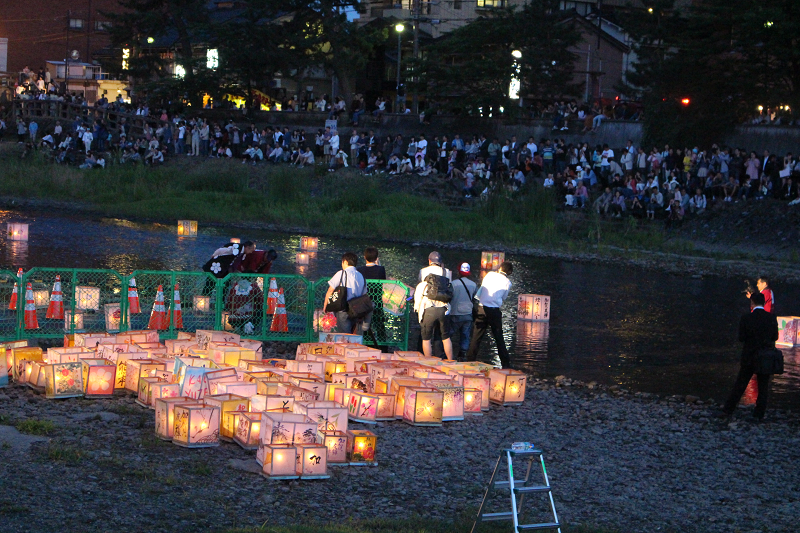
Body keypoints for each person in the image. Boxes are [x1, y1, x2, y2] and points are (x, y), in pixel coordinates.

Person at [719, 292, 779, 421]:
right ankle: (759, 414)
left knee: (740, 384)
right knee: (763, 387)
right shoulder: (771, 318)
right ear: (763, 303)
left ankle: (728, 410)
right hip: (765, 357)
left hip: (750, 355)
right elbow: (775, 337)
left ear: (752, 303)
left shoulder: (746, 318)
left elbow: (742, 338)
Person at [466, 261, 513, 368]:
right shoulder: (508, 282)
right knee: (499, 338)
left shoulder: (489, 275)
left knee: (476, 337)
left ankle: (469, 361)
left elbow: (483, 287)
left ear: (500, 268)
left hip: (481, 308)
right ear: (509, 272)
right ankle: (506, 364)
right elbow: (503, 297)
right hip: (494, 311)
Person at [414, 265, 454, 361]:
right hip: (444, 311)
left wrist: (417, 312)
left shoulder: (422, 285)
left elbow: (417, 303)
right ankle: (450, 361)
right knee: (446, 338)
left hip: (429, 311)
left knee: (426, 339)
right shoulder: (444, 285)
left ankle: (428, 361)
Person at [325, 252, 366, 334]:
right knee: (354, 334)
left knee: (344, 335)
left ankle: (347, 346)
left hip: (343, 308)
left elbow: (330, 290)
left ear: (346, 262)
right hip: (357, 310)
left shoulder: (341, 273)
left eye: (342, 262)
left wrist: (326, 305)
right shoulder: (361, 276)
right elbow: (364, 294)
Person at [357, 246, 387, 347]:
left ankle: (366, 344)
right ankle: (383, 347)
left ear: (365, 257)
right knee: (380, 326)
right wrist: (379, 264)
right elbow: (383, 281)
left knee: (364, 325)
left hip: (364, 302)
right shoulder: (380, 269)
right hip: (377, 301)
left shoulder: (360, 270)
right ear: (376, 258)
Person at [449, 263, 477, 361]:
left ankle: (447, 355)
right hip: (468, 314)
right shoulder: (473, 285)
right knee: (465, 335)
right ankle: (462, 355)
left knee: (448, 335)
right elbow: (475, 298)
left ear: (459, 272)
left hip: (455, 313)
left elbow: (449, 297)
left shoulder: (453, 284)